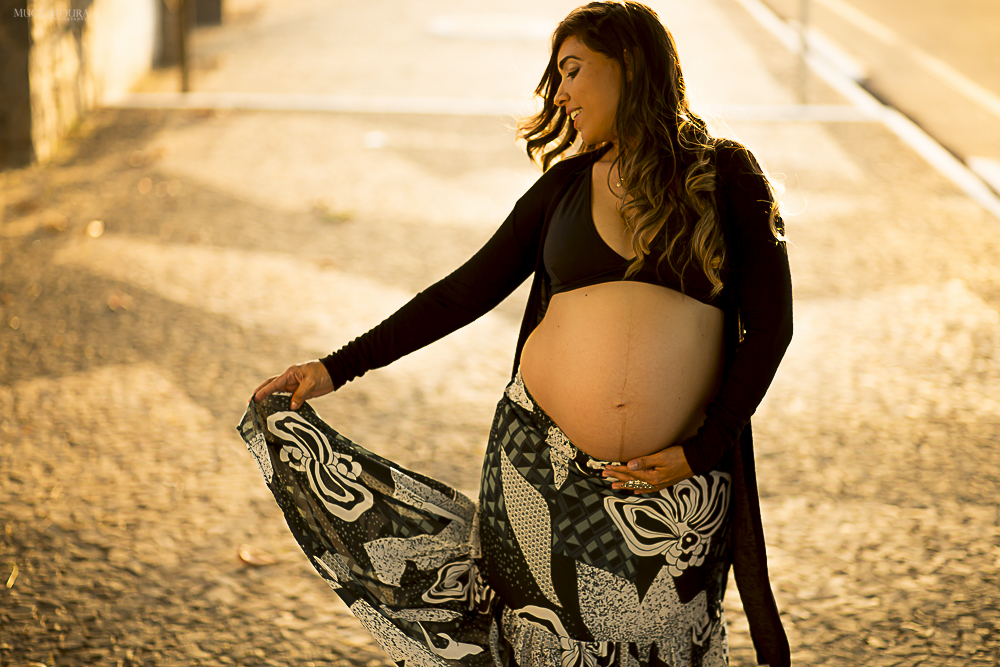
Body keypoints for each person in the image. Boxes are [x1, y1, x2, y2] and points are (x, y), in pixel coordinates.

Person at [241, 2, 793, 666]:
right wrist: (334, 367)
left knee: (662, 648)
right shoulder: (563, 189)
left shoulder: (727, 176)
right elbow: (461, 294)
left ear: (628, 64)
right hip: (538, 471)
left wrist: (703, 450)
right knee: (536, 647)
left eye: (572, 70)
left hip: (674, 491)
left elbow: (772, 328)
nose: (559, 94)